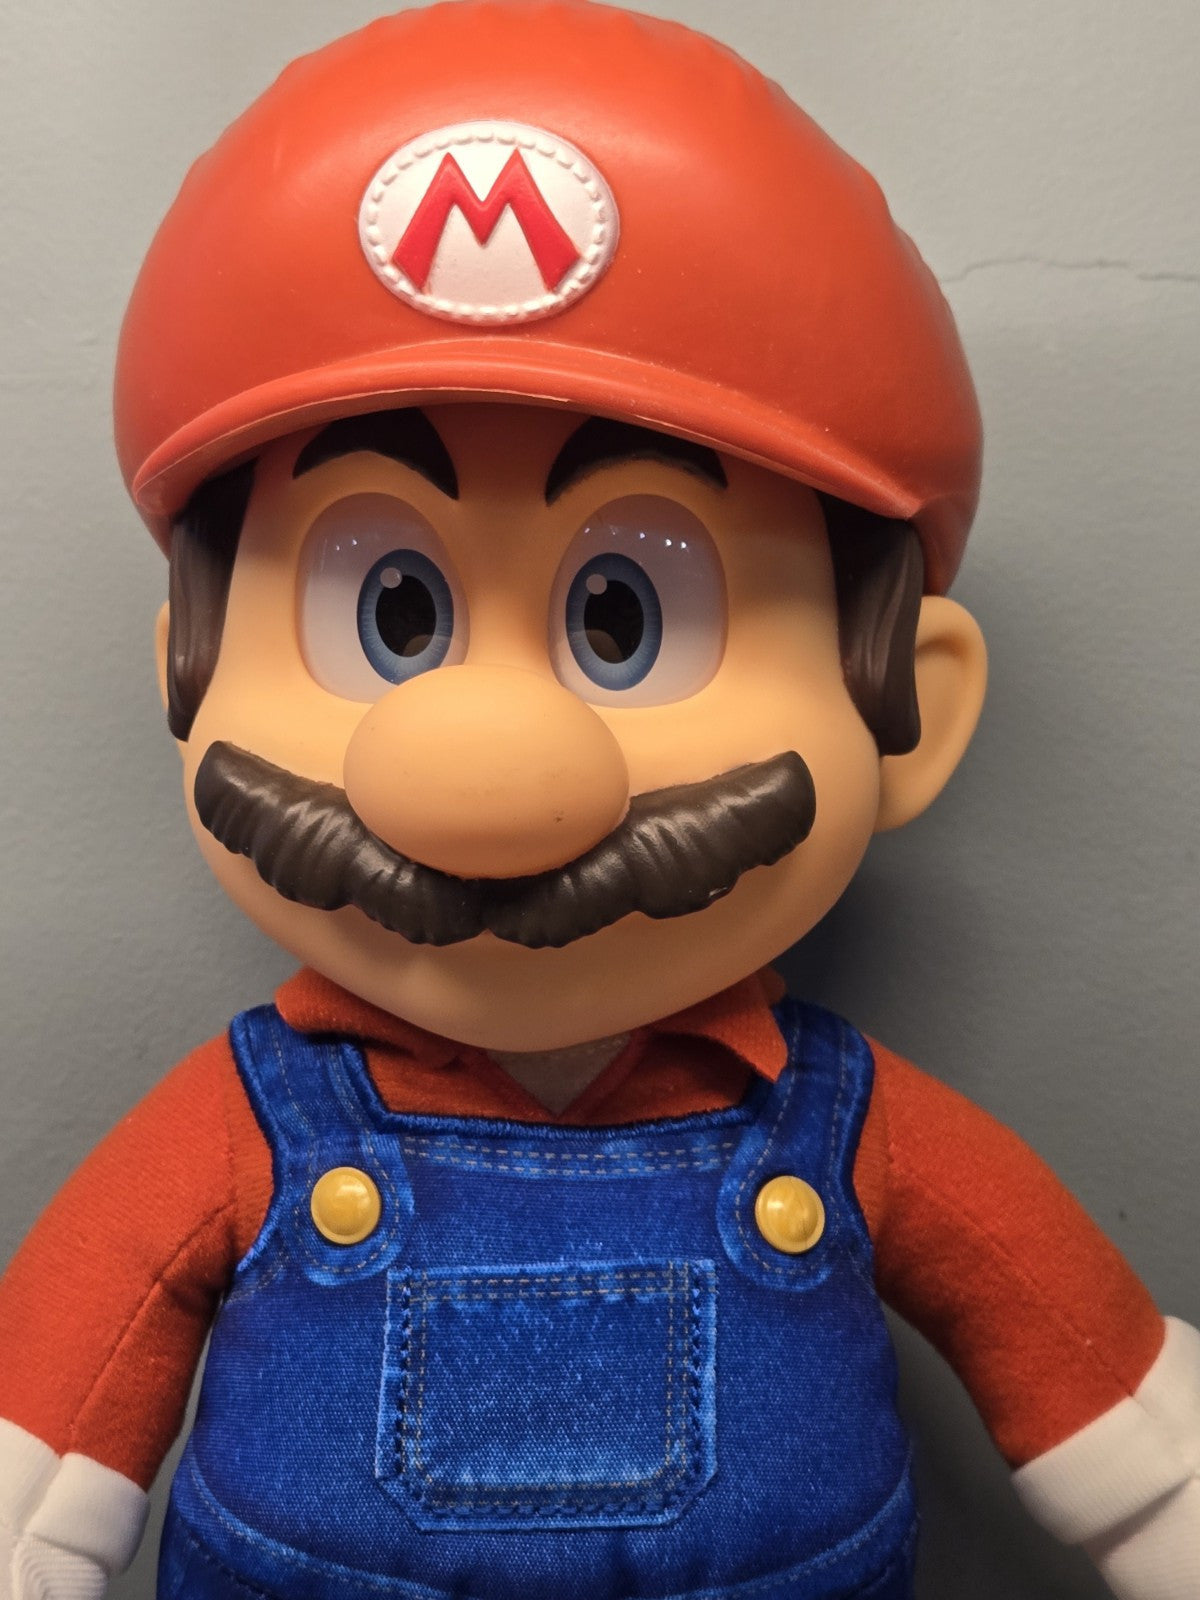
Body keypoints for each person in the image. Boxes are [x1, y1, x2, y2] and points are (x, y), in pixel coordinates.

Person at [1, 4, 1196, 1598]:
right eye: (392, 612)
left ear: (912, 710)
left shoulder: (852, 1127)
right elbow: (40, 1453)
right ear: (182, 677)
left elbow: (1124, 1422)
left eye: (626, 616)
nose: (486, 770)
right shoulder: (244, 1123)